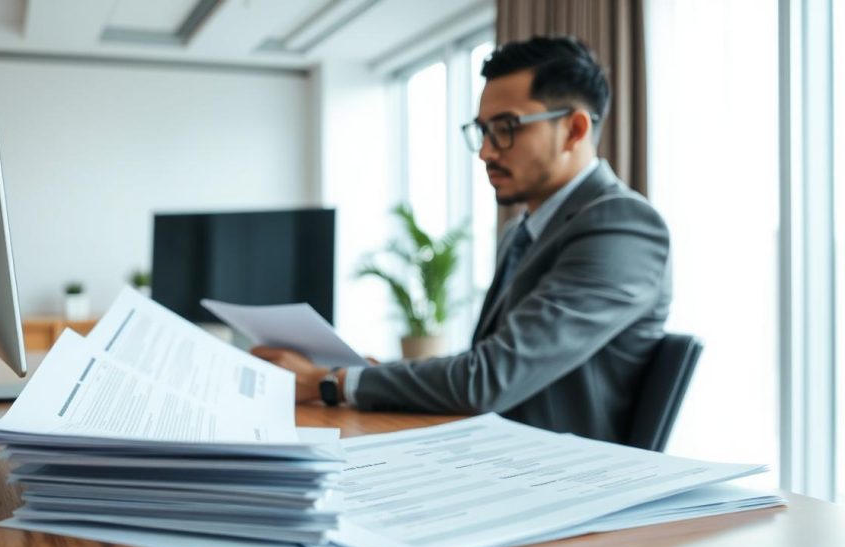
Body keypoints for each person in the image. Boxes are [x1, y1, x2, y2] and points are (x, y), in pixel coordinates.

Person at [252, 36, 671, 443]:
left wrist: (329, 383)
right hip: (493, 454)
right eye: (482, 131)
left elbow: (491, 377)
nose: (486, 152)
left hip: (563, 480)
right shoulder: (521, 233)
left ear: (575, 130)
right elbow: (489, 363)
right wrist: (369, 372)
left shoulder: (624, 226)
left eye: (506, 128)